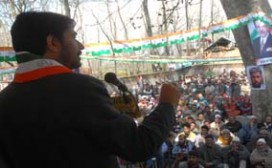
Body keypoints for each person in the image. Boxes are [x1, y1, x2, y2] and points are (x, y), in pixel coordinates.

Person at [0, 11, 181, 168]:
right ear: (53, 42)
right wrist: (166, 105)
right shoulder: (81, 89)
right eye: (73, 37)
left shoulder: (4, 101)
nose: (81, 46)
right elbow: (139, 145)